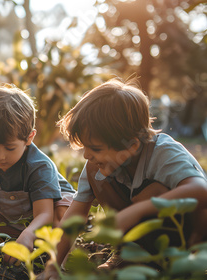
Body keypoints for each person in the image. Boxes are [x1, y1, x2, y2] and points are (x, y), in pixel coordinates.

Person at [41, 78, 207, 279]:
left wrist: (137, 211)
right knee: (97, 176)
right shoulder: (96, 165)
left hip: (185, 238)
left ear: (133, 146)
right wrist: (53, 265)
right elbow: (75, 216)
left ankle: (184, 265)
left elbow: (201, 191)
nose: (86, 155)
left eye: (95, 148)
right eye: (84, 147)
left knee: (153, 192)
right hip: (142, 240)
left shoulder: (164, 153)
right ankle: (129, 255)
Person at [0, 85, 76, 262]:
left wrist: (28, 235)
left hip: (48, 214)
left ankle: (57, 257)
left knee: (62, 215)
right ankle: (21, 239)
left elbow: (44, 214)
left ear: (29, 138)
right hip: (17, 218)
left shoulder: (39, 166)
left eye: (9, 148)